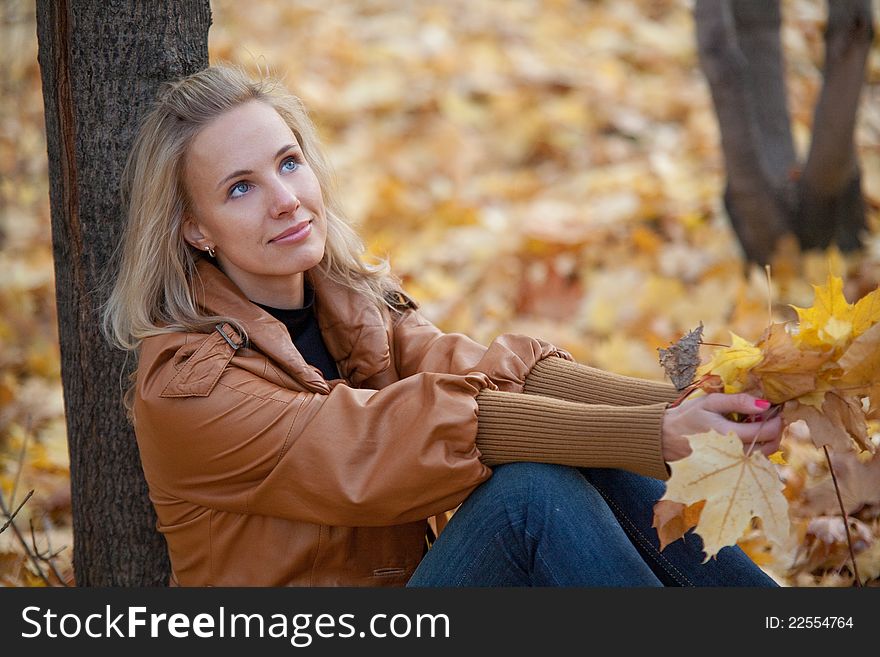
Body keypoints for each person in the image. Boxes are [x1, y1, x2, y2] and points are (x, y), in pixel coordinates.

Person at [102, 64, 782, 587]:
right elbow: (378, 442)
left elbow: (489, 371)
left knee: (595, 455)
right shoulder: (188, 392)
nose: (284, 200)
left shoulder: (346, 303)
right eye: (241, 188)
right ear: (195, 228)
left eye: (288, 163)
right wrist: (653, 434)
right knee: (530, 497)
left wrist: (687, 407)